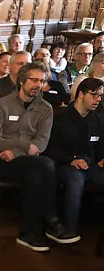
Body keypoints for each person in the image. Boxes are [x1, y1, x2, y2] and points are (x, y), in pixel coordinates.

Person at [0, 61, 76, 251]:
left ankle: (27, 233)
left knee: (37, 172)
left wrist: (16, 150)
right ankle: (50, 221)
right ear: (21, 81)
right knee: (46, 166)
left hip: (29, 161)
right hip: (1, 159)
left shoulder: (46, 109)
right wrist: (25, 146)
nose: (37, 85)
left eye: (41, 81)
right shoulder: (1, 105)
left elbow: (41, 144)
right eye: (33, 80)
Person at [45, 77, 104, 239]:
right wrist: (71, 159)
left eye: (100, 96)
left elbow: (99, 147)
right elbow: (49, 148)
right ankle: (68, 228)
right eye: (94, 95)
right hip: (64, 164)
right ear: (80, 95)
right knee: (75, 178)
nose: (98, 100)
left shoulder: (98, 120)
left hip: (90, 165)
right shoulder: (60, 117)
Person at [0, 51, 30, 115]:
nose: (24, 67)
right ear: (10, 66)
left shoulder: (34, 88)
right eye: (20, 63)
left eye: (28, 64)